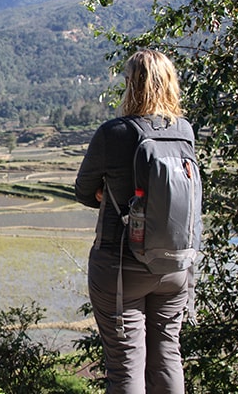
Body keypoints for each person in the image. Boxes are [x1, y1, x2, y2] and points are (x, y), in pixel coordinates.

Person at [75, 49, 194, 393]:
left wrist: (105, 193)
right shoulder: (184, 132)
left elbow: (84, 191)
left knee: (126, 364)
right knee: (168, 355)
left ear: (131, 85)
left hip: (121, 267)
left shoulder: (114, 133)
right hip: (175, 266)